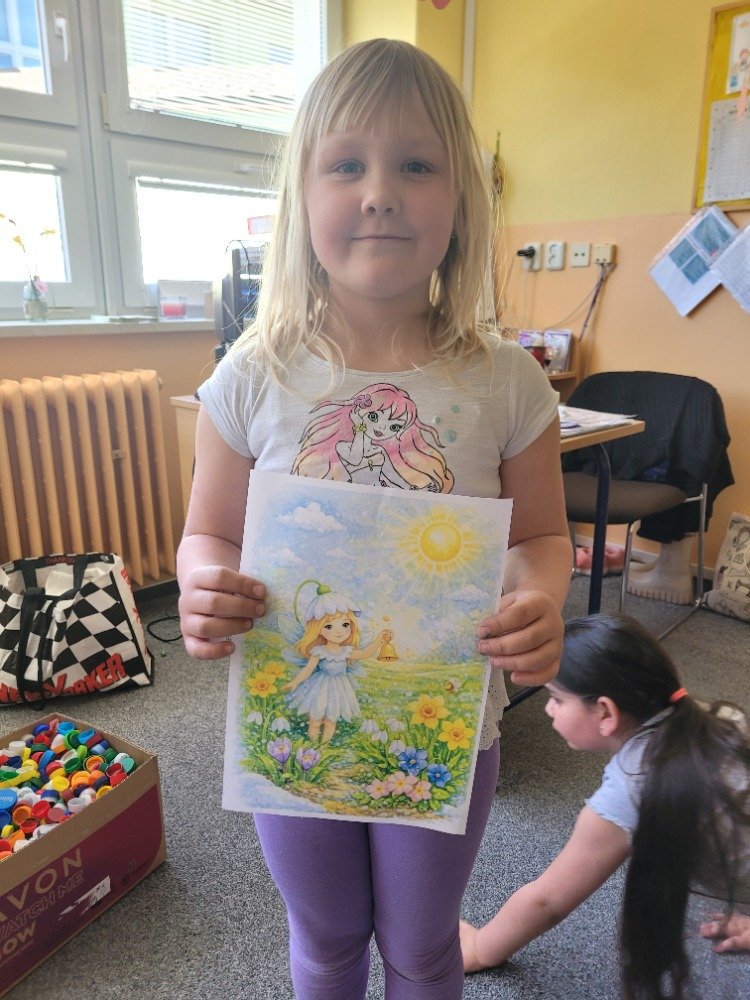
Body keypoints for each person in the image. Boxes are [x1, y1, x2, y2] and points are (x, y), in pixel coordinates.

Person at [177, 37, 572, 999]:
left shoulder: (506, 382)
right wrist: (201, 583)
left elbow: (541, 538)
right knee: (324, 939)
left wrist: (540, 599)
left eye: (417, 166)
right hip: (287, 705)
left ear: (462, 199)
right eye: (347, 164)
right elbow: (207, 531)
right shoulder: (253, 375)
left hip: (447, 720)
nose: (381, 193)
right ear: (302, 195)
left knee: (424, 944)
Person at [460, 613, 750, 999]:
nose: (549, 710)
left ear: (606, 713)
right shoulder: (715, 717)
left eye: (556, 699)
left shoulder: (631, 790)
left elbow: (547, 901)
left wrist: (481, 948)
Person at [279, 582, 393, 744]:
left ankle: (324, 747)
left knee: (331, 720)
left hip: (339, 688)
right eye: (329, 626)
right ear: (318, 629)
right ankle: (313, 745)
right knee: (315, 719)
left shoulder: (346, 651)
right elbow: (308, 669)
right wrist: (295, 682)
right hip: (319, 686)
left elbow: (365, 654)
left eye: (345, 625)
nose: (339, 631)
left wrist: (380, 640)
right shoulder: (319, 651)